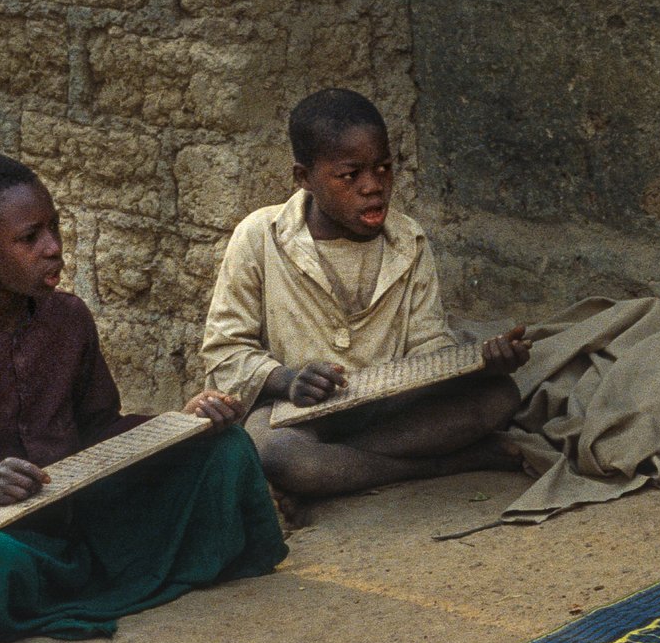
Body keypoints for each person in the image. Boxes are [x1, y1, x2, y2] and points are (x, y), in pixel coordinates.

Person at [0, 152, 286, 643]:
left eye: (55, 228)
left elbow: (99, 427)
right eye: (29, 239)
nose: (54, 249)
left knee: (223, 447)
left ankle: (85, 570)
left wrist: (181, 422)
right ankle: (81, 576)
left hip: (70, 504)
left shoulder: (68, 318)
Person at [198, 88, 530, 501]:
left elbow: (428, 345)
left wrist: (477, 364)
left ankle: (333, 470)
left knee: (499, 397)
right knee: (277, 453)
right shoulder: (259, 236)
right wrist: (287, 380)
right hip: (298, 414)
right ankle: (447, 464)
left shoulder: (408, 240)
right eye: (350, 175)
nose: (374, 187)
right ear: (304, 178)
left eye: (384, 168)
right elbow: (226, 350)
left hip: (388, 411)